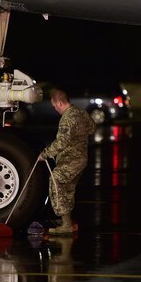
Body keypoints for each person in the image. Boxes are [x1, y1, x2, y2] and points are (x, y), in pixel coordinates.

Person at [38, 89, 96, 235]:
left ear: (59, 102)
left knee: (56, 181)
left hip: (71, 160)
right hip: (81, 159)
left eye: (54, 106)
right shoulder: (80, 112)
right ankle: (67, 221)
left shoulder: (67, 119)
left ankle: (66, 225)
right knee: (67, 189)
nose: (55, 109)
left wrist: (44, 154)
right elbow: (92, 128)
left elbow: (61, 143)